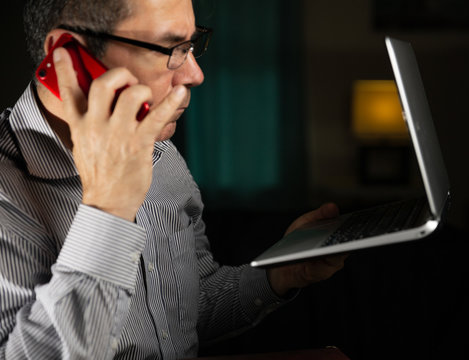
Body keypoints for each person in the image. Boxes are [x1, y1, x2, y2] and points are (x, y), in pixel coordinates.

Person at [0, 0, 347, 359]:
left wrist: (281, 274)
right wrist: (108, 209)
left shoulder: (161, 156)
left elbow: (182, 315)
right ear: (68, 56)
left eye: (191, 46)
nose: (195, 74)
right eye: (170, 48)